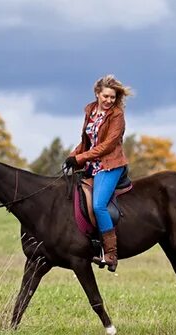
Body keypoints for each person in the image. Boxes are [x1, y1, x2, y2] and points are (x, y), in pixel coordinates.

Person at [64, 74, 133, 272]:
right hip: (90, 165)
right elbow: (87, 141)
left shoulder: (117, 115)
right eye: (106, 96)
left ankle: (111, 254)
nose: (109, 100)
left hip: (110, 165)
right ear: (97, 94)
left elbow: (107, 146)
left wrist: (80, 158)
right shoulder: (91, 111)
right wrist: (73, 156)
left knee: (98, 205)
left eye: (112, 97)